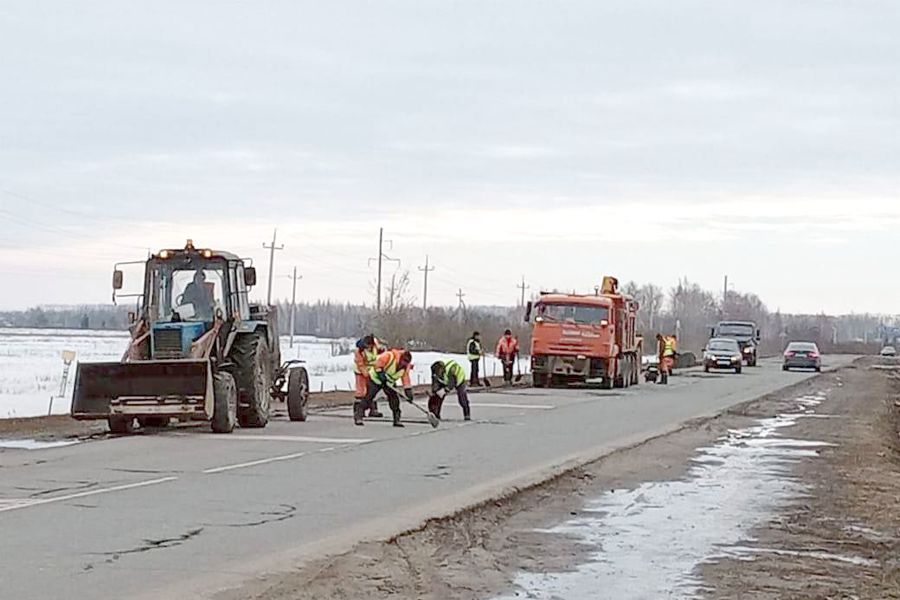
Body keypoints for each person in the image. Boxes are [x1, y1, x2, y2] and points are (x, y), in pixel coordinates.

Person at [356, 348, 414, 427]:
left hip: (389, 383)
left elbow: (406, 379)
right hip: (375, 379)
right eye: (403, 362)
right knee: (369, 397)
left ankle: (397, 419)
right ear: (400, 358)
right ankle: (358, 415)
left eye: (406, 363)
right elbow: (377, 364)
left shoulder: (405, 367)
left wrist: (408, 391)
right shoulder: (389, 356)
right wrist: (380, 373)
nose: (403, 365)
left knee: (394, 400)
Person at [352, 334, 385, 418]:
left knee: (372, 390)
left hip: (371, 370)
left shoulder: (375, 344)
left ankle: (373, 410)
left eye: (370, 346)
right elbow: (360, 364)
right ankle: (358, 410)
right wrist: (366, 374)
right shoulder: (359, 351)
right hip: (360, 371)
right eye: (368, 346)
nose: (369, 348)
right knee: (361, 391)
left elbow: (380, 352)